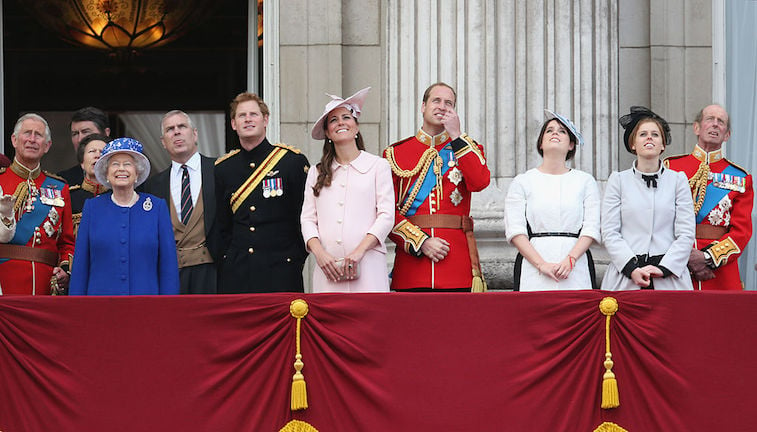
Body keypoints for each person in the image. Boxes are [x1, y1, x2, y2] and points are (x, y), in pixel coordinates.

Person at [383, 82, 491, 292]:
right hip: (412, 267)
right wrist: (420, 242)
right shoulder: (395, 154)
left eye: (448, 103)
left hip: (456, 264)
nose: (442, 106)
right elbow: (387, 211)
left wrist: (457, 137)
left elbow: (479, 182)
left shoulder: (467, 148)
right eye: (436, 101)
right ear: (423, 106)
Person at [301, 87, 395, 293]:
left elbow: (386, 216)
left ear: (356, 127)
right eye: (333, 120)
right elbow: (307, 219)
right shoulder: (316, 172)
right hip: (328, 271)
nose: (341, 122)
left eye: (346, 117)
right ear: (327, 132)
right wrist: (320, 254)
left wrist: (359, 251)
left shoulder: (378, 166)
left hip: (368, 267)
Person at [214, 92, 310, 293]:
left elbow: (303, 217)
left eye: (253, 114)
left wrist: (293, 258)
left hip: (281, 270)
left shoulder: (291, 162)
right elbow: (221, 225)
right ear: (233, 124)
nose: (248, 119)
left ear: (265, 120)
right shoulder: (224, 168)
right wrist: (227, 259)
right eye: (241, 115)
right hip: (237, 272)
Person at [504, 110, 600, 291]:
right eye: (549, 130)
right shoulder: (523, 181)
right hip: (534, 264)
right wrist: (541, 264)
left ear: (572, 144)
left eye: (562, 131)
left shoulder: (585, 181)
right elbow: (515, 230)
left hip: (575, 263)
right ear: (541, 142)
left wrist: (570, 259)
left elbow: (591, 227)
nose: (555, 133)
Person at [69, 138, 179, 295]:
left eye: (127, 164)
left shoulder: (157, 208)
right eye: (115, 164)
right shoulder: (92, 208)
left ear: (137, 172)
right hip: (100, 306)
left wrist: (168, 308)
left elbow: (168, 266)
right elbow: (80, 266)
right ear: (106, 173)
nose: (121, 169)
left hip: (146, 305)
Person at [601, 106, 695, 290]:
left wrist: (664, 268)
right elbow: (610, 232)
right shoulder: (618, 181)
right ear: (633, 144)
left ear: (662, 145)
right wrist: (631, 268)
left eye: (655, 134)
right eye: (643, 134)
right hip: (626, 278)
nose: (649, 137)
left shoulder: (678, 180)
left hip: (669, 280)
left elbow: (686, 233)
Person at [664, 104, 753, 290]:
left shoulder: (741, 178)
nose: (715, 124)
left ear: (727, 135)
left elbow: (741, 232)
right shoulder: (670, 167)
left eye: (721, 122)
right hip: (674, 264)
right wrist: (685, 255)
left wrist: (707, 257)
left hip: (718, 272)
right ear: (696, 127)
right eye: (709, 119)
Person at [144, 110, 219, 294]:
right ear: (163, 142)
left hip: (213, 273)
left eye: (182, 126)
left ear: (194, 134)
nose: (176, 132)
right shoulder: (153, 185)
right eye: (170, 129)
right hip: (171, 275)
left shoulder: (219, 170)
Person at [0, 113, 75, 295]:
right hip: (4, 281)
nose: (32, 139)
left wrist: (65, 270)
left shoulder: (59, 187)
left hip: (45, 284)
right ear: (14, 140)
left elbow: (67, 242)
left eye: (38, 135)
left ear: (47, 146)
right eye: (27, 133)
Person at [58, 107, 111, 186]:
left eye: (86, 132)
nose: (80, 139)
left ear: (106, 133)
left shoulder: (122, 176)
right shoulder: (63, 180)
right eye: (75, 134)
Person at [69, 133, 109, 237]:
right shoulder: (69, 197)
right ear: (82, 163)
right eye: (92, 151)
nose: (97, 155)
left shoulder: (118, 197)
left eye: (102, 152)